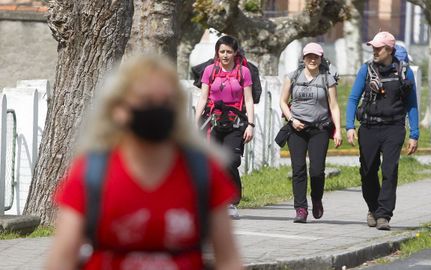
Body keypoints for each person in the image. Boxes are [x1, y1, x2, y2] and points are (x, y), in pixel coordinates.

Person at [46, 55, 243, 270]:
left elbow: (228, 260)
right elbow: (62, 259)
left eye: (167, 102)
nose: (157, 110)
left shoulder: (203, 173)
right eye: (146, 101)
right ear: (118, 110)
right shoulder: (92, 173)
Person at [345, 31, 419, 230]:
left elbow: (412, 104)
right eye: (373, 48)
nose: (375, 51)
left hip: (394, 128)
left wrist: (414, 134)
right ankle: (373, 208)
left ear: (390, 50)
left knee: (390, 171)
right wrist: (350, 126)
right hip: (368, 127)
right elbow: (353, 99)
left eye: (379, 48)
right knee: (368, 171)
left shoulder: (404, 72)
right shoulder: (366, 70)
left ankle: (384, 215)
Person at [279, 42, 342, 223]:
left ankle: (316, 199)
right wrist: (292, 120)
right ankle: (300, 209)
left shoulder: (327, 79)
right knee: (298, 170)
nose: (312, 60)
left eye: (316, 56)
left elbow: (334, 106)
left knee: (316, 170)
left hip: (319, 129)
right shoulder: (292, 77)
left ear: (321, 58)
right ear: (303, 58)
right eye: (309, 56)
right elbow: (283, 102)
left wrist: (337, 130)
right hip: (296, 129)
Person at [195, 35, 255, 219]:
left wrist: (251, 125)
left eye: (229, 51)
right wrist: (195, 123)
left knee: (231, 160)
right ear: (217, 52)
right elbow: (203, 98)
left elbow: (249, 99)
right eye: (222, 51)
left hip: (235, 123)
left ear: (235, 52)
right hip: (213, 122)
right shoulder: (209, 71)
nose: (225, 55)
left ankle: (231, 198)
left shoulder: (243, 72)